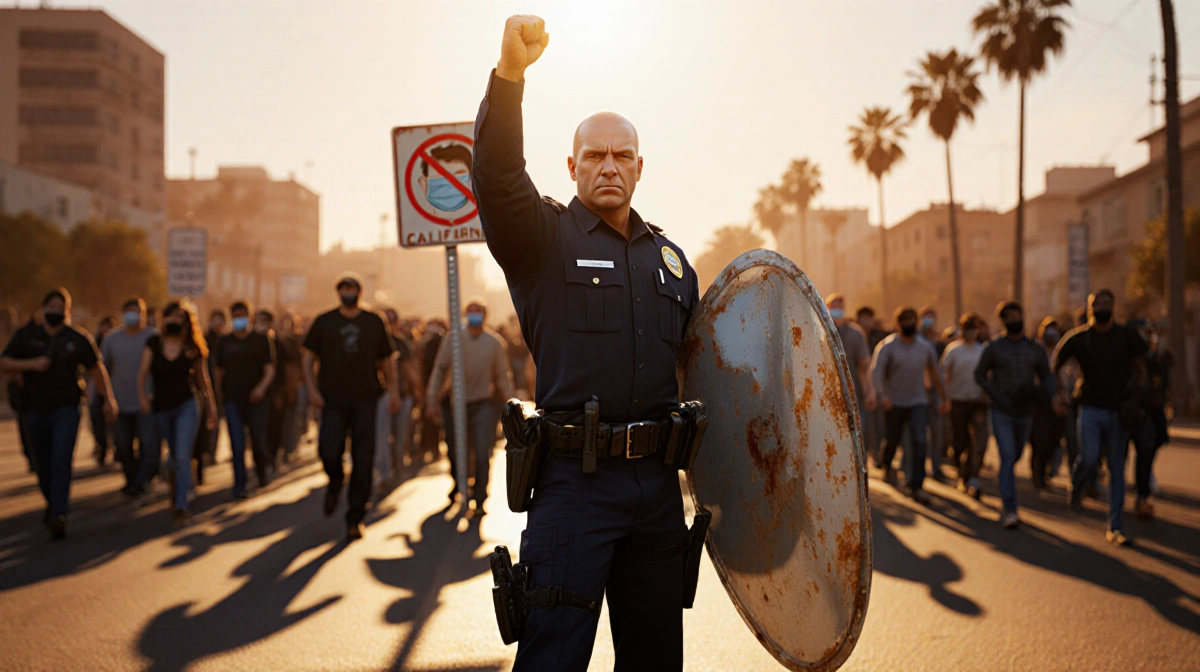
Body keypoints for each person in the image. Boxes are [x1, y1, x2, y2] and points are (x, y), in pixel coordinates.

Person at [473, 16, 702, 668]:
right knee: (552, 659)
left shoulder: (673, 262)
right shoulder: (542, 241)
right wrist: (510, 77)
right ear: (572, 167)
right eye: (594, 156)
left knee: (655, 660)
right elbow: (494, 174)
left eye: (621, 155)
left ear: (639, 167)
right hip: (576, 485)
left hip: (658, 489)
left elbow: (709, 373)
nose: (609, 166)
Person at [0, 289, 117, 539]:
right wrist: (32, 364)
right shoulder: (26, 335)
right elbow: (5, 362)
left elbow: (97, 368)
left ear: (68, 312)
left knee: (61, 459)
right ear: (43, 310)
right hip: (34, 410)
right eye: (50, 308)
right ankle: (52, 502)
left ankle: (59, 514)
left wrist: (109, 399)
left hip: (66, 410)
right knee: (42, 464)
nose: (54, 312)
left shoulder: (77, 338)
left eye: (60, 309)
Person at [302, 273, 400, 541]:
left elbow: (388, 359)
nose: (347, 292)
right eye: (343, 288)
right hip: (331, 400)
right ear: (338, 292)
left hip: (366, 400)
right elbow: (308, 358)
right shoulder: (324, 321)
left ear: (359, 292)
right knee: (328, 450)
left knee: (363, 459)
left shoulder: (373, 321)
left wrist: (394, 392)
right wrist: (311, 390)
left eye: (351, 288)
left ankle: (355, 517)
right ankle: (335, 482)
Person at [1052, 289, 1147, 547]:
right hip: (1090, 408)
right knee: (1090, 457)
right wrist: (1060, 393)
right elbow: (1055, 364)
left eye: (1106, 302)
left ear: (1113, 306)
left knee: (1117, 467)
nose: (1101, 307)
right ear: (1089, 307)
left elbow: (1141, 365)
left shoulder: (1126, 336)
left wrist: (1136, 395)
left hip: (1118, 411)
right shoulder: (1079, 338)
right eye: (1096, 303)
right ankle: (1078, 483)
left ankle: (1115, 526)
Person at [973, 301, 1056, 529]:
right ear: (1003, 321)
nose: (1013, 320)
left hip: (1025, 411)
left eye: (1016, 315)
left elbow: (1046, 375)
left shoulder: (1034, 349)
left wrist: (1054, 396)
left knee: (1017, 452)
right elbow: (980, 375)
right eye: (1008, 317)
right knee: (1008, 456)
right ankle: (1009, 508)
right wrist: (996, 395)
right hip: (1002, 410)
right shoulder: (994, 347)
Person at [426, 299, 513, 514]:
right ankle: (459, 483)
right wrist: (432, 397)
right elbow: (440, 368)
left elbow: (502, 377)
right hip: (455, 405)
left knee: (482, 453)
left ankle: (480, 498)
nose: (475, 315)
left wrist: (511, 405)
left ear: (485, 315)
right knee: (456, 451)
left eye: (479, 311)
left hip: (483, 404)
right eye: (471, 311)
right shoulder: (453, 339)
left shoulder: (494, 343)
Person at [137, 302, 217, 526]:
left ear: (186, 321)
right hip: (161, 407)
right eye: (170, 316)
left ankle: (181, 506)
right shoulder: (153, 344)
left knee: (182, 454)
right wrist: (143, 397)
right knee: (172, 456)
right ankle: (178, 483)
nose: (174, 320)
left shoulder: (193, 347)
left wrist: (211, 407)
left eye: (179, 317)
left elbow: (203, 380)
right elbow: (142, 374)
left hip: (187, 406)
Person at [870, 306, 950, 504]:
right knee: (893, 440)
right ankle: (888, 464)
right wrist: (883, 396)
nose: (909, 324)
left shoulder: (925, 346)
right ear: (897, 324)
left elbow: (935, 372)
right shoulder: (887, 346)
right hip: (894, 402)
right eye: (904, 321)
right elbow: (877, 372)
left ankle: (916, 485)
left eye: (912, 320)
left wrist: (944, 397)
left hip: (918, 402)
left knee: (920, 441)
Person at [213, 301, 276, 499]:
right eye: (236, 315)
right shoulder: (224, 342)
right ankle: (240, 485)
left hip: (257, 400)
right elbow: (219, 371)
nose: (239, 319)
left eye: (242, 315)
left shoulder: (261, 340)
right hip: (233, 400)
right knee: (237, 444)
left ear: (250, 317)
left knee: (257, 439)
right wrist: (217, 395)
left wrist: (260, 388)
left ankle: (261, 471)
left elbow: (269, 369)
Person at [102, 298, 158, 497]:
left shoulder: (153, 337)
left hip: (146, 403)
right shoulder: (111, 339)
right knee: (123, 446)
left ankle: (141, 482)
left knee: (148, 446)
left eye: (137, 312)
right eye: (129, 312)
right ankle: (131, 480)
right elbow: (102, 369)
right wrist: (103, 399)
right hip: (119, 403)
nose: (132, 316)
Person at [940, 313, 989, 499]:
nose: (971, 333)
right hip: (958, 401)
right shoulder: (953, 350)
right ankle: (961, 470)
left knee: (978, 441)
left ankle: (973, 476)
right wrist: (944, 398)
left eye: (973, 329)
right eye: (967, 329)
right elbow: (944, 374)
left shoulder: (982, 350)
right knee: (960, 440)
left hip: (977, 401)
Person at [1128, 319, 1171, 519]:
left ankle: (1142, 492)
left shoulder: (1157, 357)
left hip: (1153, 410)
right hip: (1133, 409)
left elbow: (1163, 383)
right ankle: (1141, 496)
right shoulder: (1130, 357)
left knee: (1154, 442)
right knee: (1136, 448)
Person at [374, 308, 420, 485]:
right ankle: (384, 474)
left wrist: (417, 392)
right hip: (381, 396)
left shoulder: (402, 344)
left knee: (400, 435)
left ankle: (398, 463)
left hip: (403, 395)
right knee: (383, 436)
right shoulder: (373, 342)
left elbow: (410, 370)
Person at [1028, 317, 1067, 491]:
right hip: (1039, 401)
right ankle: (1037, 475)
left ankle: (1046, 473)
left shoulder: (1063, 351)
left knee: (1054, 440)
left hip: (1058, 401)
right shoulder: (1035, 351)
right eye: (1047, 329)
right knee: (1039, 441)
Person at [826, 294, 877, 428]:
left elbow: (864, 367)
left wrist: (870, 392)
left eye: (839, 307)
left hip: (853, 394)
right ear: (826, 308)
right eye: (833, 306)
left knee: (857, 432)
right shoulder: (820, 332)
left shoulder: (856, 334)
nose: (836, 309)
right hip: (826, 394)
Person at [193, 308, 228, 485]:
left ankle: (210, 454)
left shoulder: (226, 341)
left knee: (214, 423)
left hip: (219, 390)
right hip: (200, 392)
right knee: (199, 430)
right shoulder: (201, 341)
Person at [88, 315, 116, 468]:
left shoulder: (117, 342)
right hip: (96, 390)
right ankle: (102, 448)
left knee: (113, 425)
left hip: (116, 389)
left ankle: (113, 448)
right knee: (97, 422)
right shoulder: (94, 343)